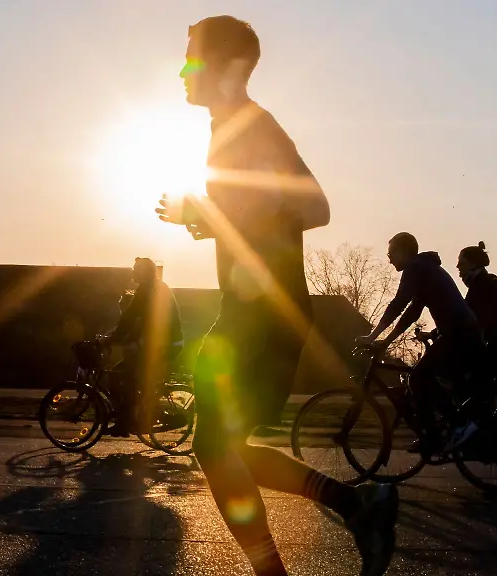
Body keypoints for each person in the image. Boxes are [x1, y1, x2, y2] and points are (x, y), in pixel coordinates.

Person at [155, 16, 398, 576]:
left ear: (225, 66)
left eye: (192, 58)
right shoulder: (234, 127)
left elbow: (310, 207)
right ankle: (355, 506)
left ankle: (302, 549)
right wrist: (215, 219)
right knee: (224, 447)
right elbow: (279, 211)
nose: (183, 70)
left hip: (263, 315)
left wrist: (212, 211)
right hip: (251, 313)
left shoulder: (251, 127)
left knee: (216, 448)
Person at [355, 232, 485, 456]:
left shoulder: (415, 268)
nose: (389, 259)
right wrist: (384, 341)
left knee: (417, 378)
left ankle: (444, 432)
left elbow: (398, 304)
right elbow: (411, 314)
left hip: (458, 333)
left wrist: (371, 336)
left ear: (404, 251)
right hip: (462, 332)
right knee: (428, 379)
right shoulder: (425, 269)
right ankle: (451, 428)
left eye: (391, 253)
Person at [101, 257, 184, 437]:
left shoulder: (147, 290)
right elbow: (133, 320)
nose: (133, 272)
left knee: (126, 377)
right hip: (163, 342)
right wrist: (114, 337)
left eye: (136, 269)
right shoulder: (155, 287)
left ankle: (127, 421)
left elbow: (129, 318)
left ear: (145, 272)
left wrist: (111, 339)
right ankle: (132, 417)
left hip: (165, 343)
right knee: (121, 375)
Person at [455, 241, 497, 377]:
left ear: (473, 264)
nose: (457, 267)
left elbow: (472, 317)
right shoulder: (483, 283)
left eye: (462, 263)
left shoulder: (484, 285)